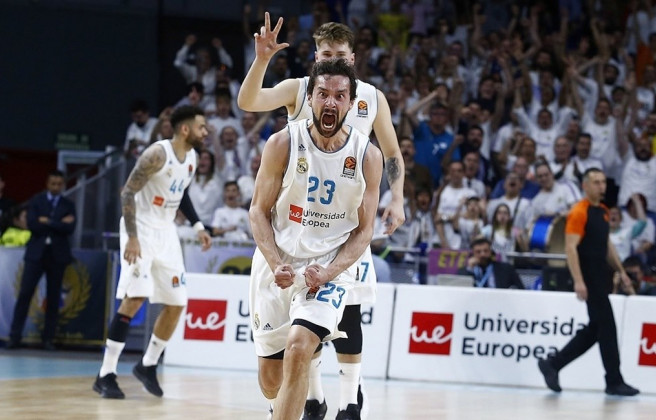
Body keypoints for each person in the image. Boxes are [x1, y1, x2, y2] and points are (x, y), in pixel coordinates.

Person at [238, 15, 404, 418]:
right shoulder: (295, 99)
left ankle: (350, 399)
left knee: (334, 322)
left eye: (341, 56)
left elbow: (393, 154)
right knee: (271, 377)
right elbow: (248, 102)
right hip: (289, 229)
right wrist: (261, 61)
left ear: (353, 61)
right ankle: (308, 397)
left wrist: (397, 198)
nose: (331, 99)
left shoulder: (371, 104)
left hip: (335, 237)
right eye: (327, 56)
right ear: (314, 69)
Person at [92, 106, 212, 399]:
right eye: (201, 127)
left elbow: (180, 192)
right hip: (141, 229)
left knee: (176, 303)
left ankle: (147, 366)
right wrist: (132, 237)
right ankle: (105, 373)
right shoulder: (156, 154)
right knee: (134, 299)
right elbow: (127, 192)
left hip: (166, 231)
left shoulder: (193, 158)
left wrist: (198, 225)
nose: (206, 132)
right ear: (185, 129)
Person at [537, 168, 639, 397]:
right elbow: (570, 247)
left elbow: (607, 246)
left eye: (603, 182)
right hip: (589, 277)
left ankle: (553, 364)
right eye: (596, 182)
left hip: (601, 276)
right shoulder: (579, 212)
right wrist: (578, 281)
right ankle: (614, 380)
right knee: (607, 328)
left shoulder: (602, 212)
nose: (601, 186)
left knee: (596, 329)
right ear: (585, 186)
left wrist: (620, 270)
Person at [7, 171, 76, 350]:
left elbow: (70, 228)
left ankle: (48, 340)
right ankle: (15, 337)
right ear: (47, 183)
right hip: (36, 254)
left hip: (57, 256)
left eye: (59, 184)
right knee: (25, 294)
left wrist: (48, 221)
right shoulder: (36, 201)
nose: (55, 187)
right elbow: (33, 224)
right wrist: (57, 222)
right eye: (52, 183)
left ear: (63, 185)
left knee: (53, 298)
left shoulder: (68, 204)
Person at [458, 237, 524, 289]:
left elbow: (520, 289)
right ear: (472, 254)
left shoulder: (506, 269)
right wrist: (470, 269)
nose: (482, 254)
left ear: (491, 252)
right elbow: (459, 289)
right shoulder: (466, 270)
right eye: (478, 252)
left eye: (485, 251)